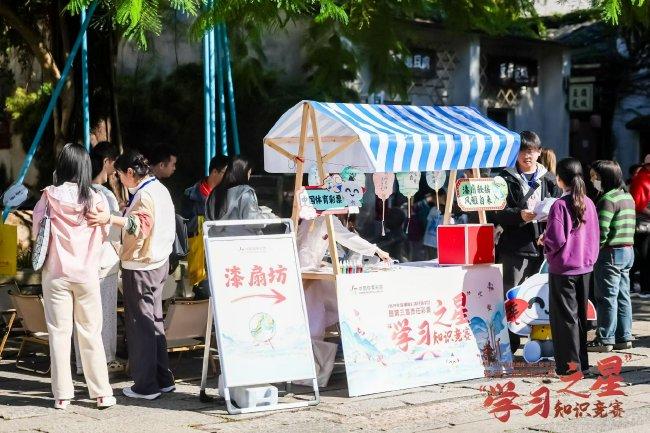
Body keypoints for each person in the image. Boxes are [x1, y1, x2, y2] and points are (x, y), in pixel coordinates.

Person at [32, 143, 115, 410]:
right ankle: (101, 393)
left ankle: (62, 396)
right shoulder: (96, 198)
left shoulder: (48, 196)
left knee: (58, 334)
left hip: (56, 274)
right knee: (91, 332)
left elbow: (37, 232)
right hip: (87, 274)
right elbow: (104, 233)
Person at [87, 150, 176, 400]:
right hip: (159, 263)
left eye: (119, 175)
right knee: (154, 322)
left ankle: (146, 386)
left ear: (129, 172)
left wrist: (110, 218)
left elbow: (139, 226)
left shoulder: (145, 194)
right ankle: (163, 379)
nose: (118, 179)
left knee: (140, 327)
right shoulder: (159, 189)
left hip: (141, 267)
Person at [297, 207, 391, 386]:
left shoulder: (306, 215)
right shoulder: (326, 217)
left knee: (316, 315)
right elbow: (348, 238)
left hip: (305, 270)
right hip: (307, 274)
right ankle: (309, 372)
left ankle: (309, 370)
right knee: (315, 319)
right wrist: (376, 250)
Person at [489, 131, 561, 349]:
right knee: (512, 295)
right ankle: (509, 344)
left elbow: (560, 210)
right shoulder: (504, 179)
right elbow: (496, 212)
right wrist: (519, 215)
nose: (526, 156)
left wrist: (550, 229)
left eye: (531, 151)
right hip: (515, 247)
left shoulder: (550, 179)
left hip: (543, 248)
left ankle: (539, 343)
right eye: (521, 151)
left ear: (539, 152)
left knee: (540, 296)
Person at [542, 158, 599, 376]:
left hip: (563, 268)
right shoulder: (589, 202)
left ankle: (569, 367)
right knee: (580, 319)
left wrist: (544, 243)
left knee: (565, 319)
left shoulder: (559, 205)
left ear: (559, 179)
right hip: (585, 266)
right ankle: (581, 364)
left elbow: (555, 239)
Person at [74, 141, 123, 375]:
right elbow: (114, 233)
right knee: (105, 314)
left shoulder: (77, 193)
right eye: (115, 162)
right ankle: (106, 359)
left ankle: (81, 363)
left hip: (80, 262)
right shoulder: (105, 195)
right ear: (106, 162)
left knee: (82, 315)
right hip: (104, 261)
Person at [587, 160, 635, 352]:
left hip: (610, 253)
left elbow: (601, 231)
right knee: (623, 295)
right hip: (627, 251)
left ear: (604, 177)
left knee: (606, 297)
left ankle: (605, 338)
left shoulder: (607, 199)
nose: (592, 180)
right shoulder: (627, 196)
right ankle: (624, 336)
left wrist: (592, 251)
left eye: (594, 176)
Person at [181, 155, 228, 299]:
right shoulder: (190, 194)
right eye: (225, 173)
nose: (228, 177)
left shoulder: (227, 195)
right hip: (199, 253)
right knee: (202, 293)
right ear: (214, 172)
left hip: (220, 251)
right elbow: (186, 225)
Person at [205, 156, 276, 233]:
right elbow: (253, 221)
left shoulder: (214, 192)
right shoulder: (245, 192)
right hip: (242, 239)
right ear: (242, 173)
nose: (249, 177)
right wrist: (271, 217)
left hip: (215, 238)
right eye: (249, 173)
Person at [629, 155, 650, 298]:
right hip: (643, 224)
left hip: (645, 222)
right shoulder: (640, 178)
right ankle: (644, 287)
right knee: (643, 256)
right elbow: (637, 204)